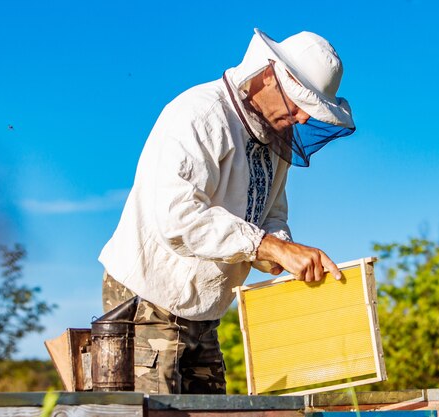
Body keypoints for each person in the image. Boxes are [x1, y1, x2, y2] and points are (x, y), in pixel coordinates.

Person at [98, 28, 355, 394]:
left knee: (213, 409)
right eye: (298, 103)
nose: (301, 119)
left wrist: (282, 254)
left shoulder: (272, 139)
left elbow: (271, 216)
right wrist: (270, 247)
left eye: (311, 111)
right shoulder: (200, 115)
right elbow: (179, 218)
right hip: (148, 301)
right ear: (268, 75)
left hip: (206, 312)